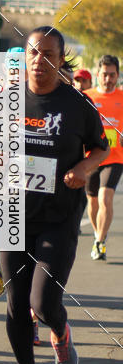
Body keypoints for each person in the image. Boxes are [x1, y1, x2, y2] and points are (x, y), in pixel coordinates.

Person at [0, 26, 109, 364]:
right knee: (16, 302)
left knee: (43, 303)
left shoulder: (78, 105)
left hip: (57, 215)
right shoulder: (4, 99)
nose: (39, 60)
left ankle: (61, 332)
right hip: (10, 209)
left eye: (49, 54)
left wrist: (84, 169)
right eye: (34, 52)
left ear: (60, 59)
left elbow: (100, 148)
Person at [85, 55, 123, 261]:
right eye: (104, 75)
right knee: (93, 203)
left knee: (105, 198)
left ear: (117, 75)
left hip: (115, 156)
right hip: (90, 157)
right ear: (97, 74)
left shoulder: (122, 97)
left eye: (112, 75)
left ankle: (100, 241)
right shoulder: (87, 97)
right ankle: (98, 233)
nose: (108, 79)